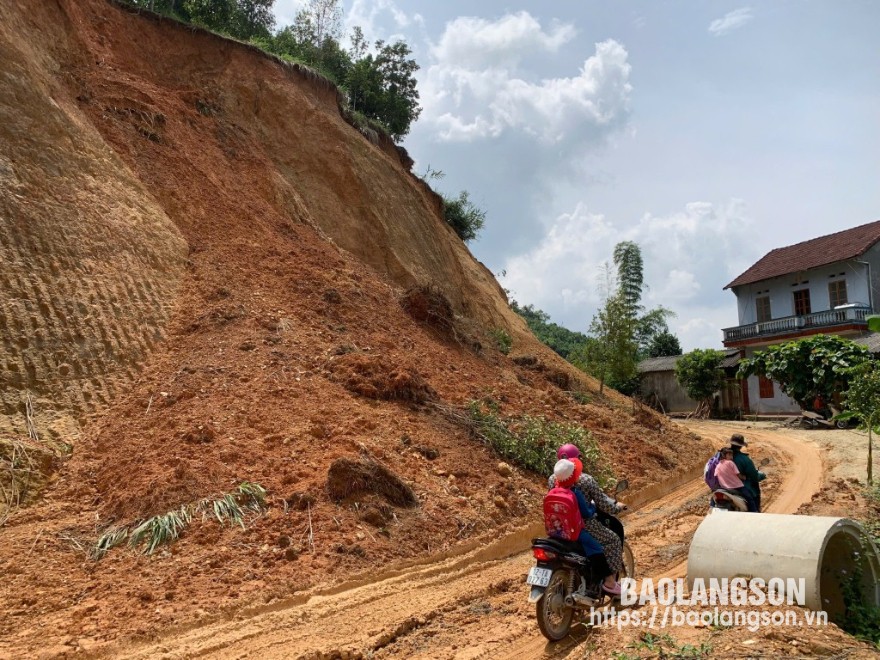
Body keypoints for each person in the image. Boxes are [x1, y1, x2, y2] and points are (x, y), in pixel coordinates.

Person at [549, 444, 626, 591]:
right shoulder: (585, 481)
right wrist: (616, 508)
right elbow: (602, 504)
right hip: (581, 526)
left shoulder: (553, 479)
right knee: (613, 540)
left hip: (558, 525)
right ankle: (610, 582)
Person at [730, 434, 766, 512]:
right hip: (740, 486)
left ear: (731, 443)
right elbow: (754, 476)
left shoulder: (720, 455)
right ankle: (755, 513)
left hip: (722, 485)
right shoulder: (744, 459)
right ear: (741, 446)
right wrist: (762, 475)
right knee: (754, 498)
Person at [713, 447, 757, 512]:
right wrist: (745, 477)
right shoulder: (730, 463)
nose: (731, 456)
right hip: (736, 487)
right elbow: (739, 475)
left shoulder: (718, 465)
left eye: (732, 455)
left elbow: (715, 475)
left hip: (724, 488)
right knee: (750, 498)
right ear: (724, 455)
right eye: (729, 455)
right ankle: (754, 513)